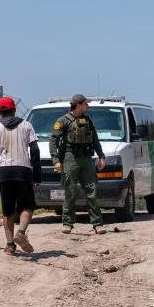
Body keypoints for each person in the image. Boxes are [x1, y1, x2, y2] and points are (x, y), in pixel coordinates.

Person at [0, 96, 41, 256]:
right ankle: (21, 233)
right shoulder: (27, 125)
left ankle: (9, 246)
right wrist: (37, 174)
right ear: (14, 109)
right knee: (27, 206)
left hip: (4, 171)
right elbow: (35, 150)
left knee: (8, 210)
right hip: (23, 170)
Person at [49, 94, 107, 235]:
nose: (87, 106)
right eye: (86, 104)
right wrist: (56, 160)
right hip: (70, 158)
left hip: (87, 159)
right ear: (79, 105)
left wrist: (101, 156)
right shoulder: (63, 121)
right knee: (70, 192)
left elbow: (95, 140)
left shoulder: (87, 120)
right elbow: (53, 141)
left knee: (91, 191)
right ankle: (67, 223)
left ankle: (97, 224)